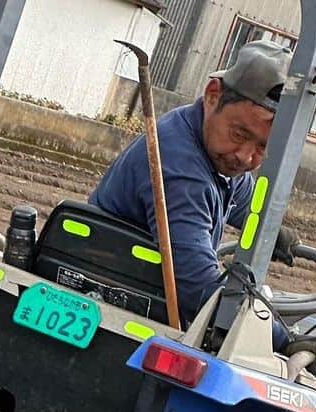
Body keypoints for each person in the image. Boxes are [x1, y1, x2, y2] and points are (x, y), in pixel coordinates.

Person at [91, 41, 299, 328]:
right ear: (213, 95)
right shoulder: (180, 169)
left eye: (263, 147)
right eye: (239, 134)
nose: (246, 156)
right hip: (123, 307)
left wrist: (272, 228)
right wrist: (283, 339)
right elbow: (200, 289)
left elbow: (244, 202)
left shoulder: (211, 151)